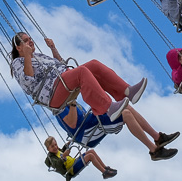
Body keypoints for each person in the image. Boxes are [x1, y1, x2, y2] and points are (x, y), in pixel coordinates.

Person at [9, 33, 145, 121]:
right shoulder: (17, 63)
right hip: (51, 94)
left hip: (62, 79)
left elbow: (60, 64)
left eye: (30, 39)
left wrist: (53, 48)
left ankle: (127, 91)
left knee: (94, 64)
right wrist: (27, 56)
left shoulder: (39, 56)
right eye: (26, 41)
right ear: (19, 48)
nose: (31, 42)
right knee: (81, 72)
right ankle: (108, 107)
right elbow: (28, 81)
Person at [54, 101, 179, 162]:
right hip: (88, 133)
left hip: (92, 122)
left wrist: (53, 48)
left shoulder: (66, 98)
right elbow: (73, 123)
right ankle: (154, 150)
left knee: (125, 105)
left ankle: (158, 137)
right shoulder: (58, 106)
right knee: (126, 114)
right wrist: (73, 104)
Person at [42, 136, 116, 181]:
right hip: (72, 169)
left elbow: (63, 150)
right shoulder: (51, 158)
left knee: (92, 151)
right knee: (90, 156)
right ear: (48, 149)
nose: (55, 147)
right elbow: (57, 165)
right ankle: (104, 173)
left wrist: (69, 142)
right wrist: (64, 155)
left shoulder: (58, 150)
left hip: (75, 161)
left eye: (55, 144)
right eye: (52, 146)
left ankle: (105, 167)